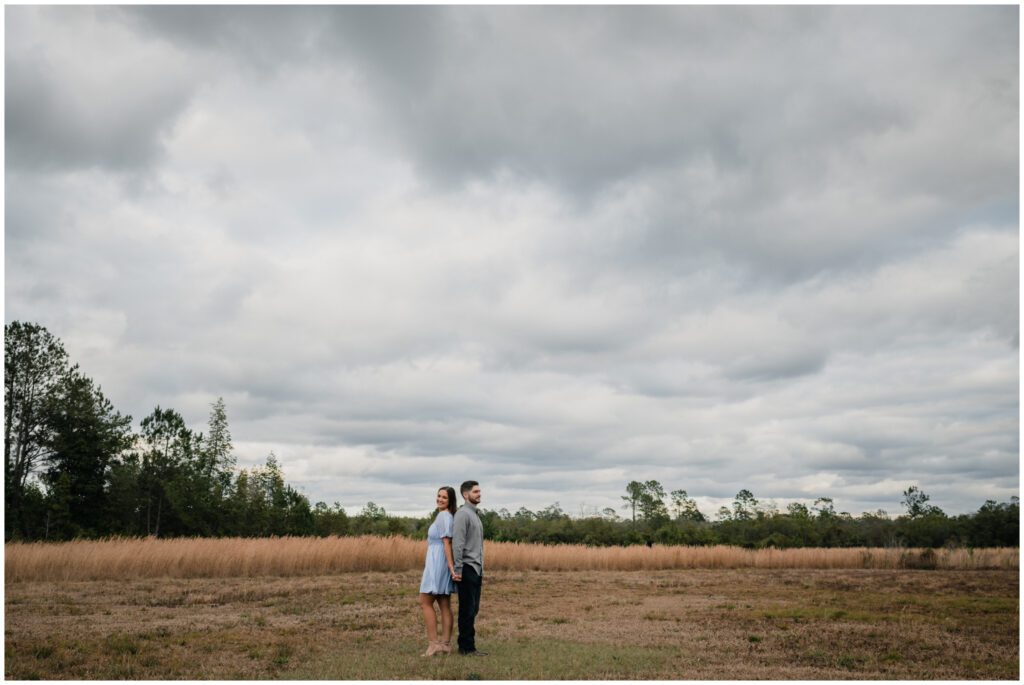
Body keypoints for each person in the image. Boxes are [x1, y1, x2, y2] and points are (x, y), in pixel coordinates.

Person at [418, 486, 457, 657]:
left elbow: (447, 543)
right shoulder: (447, 516)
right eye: (439, 496)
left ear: (450, 501)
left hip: (438, 562)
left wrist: (450, 567)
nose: (440, 499)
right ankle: (446, 644)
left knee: (425, 602)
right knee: (444, 603)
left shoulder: (443, 516)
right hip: (439, 560)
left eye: (444, 498)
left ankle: (434, 644)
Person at [452, 480, 486, 656]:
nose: (479, 494)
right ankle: (466, 647)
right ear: (466, 495)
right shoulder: (463, 514)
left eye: (480, 491)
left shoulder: (475, 515)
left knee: (473, 609)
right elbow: (458, 544)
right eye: (476, 491)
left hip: (476, 568)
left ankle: (468, 645)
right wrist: (458, 570)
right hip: (466, 568)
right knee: (467, 609)